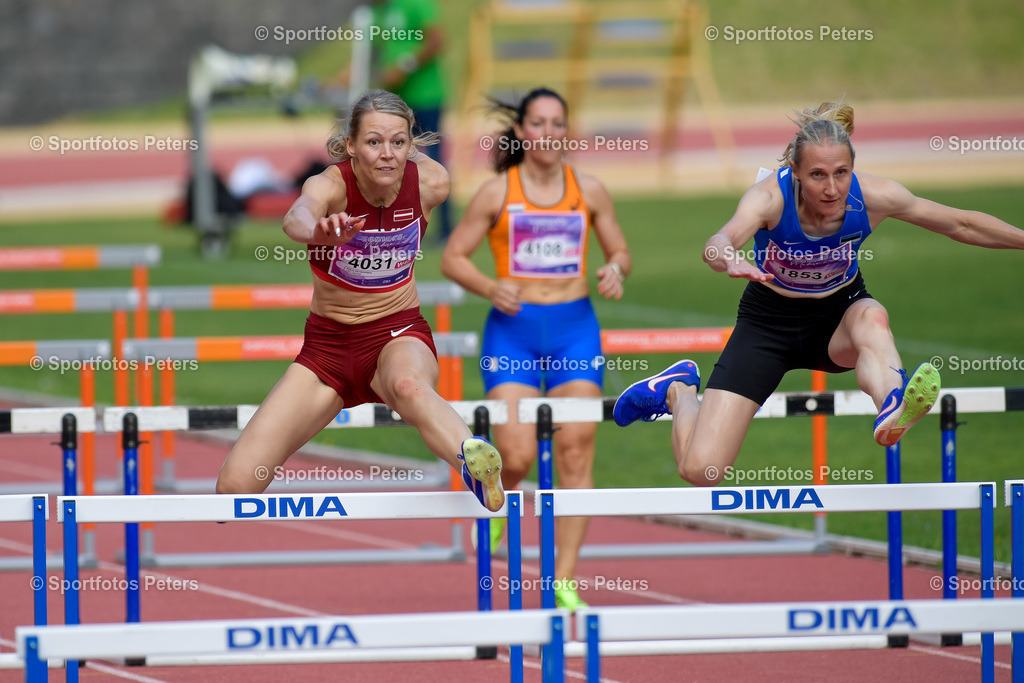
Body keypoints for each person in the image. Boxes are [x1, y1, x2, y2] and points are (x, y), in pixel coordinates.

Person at [613, 100, 1024, 486]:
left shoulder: (876, 197)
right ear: (795, 172)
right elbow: (719, 240)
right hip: (766, 326)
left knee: (872, 317)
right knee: (702, 470)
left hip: (838, 318)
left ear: (852, 169)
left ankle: (893, 405)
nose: (831, 189)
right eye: (817, 176)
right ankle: (679, 390)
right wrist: (728, 257)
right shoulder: (769, 199)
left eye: (841, 173)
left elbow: (962, 224)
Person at [216, 89, 504, 514]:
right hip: (326, 351)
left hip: (396, 334)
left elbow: (419, 162)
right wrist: (318, 229)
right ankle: (468, 456)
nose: (387, 155)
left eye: (398, 142)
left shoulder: (431, 183)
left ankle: (473, 460)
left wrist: (407, 147)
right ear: (350, 145)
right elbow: (294, 218)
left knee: (407, 386)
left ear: (411, 145)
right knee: (235, 492)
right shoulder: (329, 186)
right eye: (373, 142)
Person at [440, 87, 631, 610]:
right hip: (513, 332)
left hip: (574, 330)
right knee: (518, 453)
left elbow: (619, 248)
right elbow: (453, 257)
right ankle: (498, 511)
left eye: (557, 123)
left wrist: (614, 267)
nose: (548, 133)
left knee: (576, 449)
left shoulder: (588, 190)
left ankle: (564, 578)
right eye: (538, 123)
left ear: (566, 132)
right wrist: (489, 287)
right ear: (522, 132)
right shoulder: (497, 192)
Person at [370, 0, 452, 241]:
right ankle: (394, 225)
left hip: (426, 97)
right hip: (395, 102)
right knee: (389, 161)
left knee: (434, 161)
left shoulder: (416, 4)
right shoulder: (376, 13)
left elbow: (437, 41)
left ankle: (445, 228)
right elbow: (371, 57)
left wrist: (405, 67)